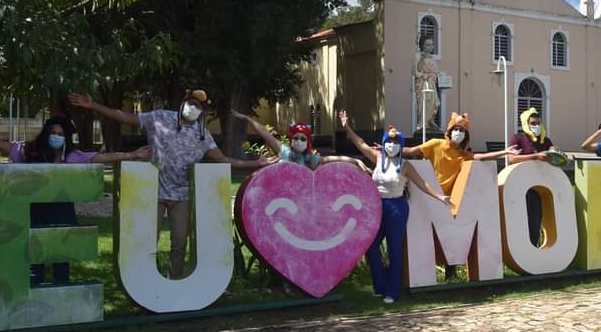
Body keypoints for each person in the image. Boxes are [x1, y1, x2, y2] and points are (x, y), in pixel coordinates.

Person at [68, 89, 271, 279]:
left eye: (199, 107)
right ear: (184, 103)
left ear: (204, 112)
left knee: (180, 242)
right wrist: (94, 106)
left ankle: (175, 280)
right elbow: (124, 117)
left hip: (181, 195)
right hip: (152, 192)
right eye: (191, 103)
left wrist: (256, 163)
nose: (193, 108)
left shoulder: (203, 135)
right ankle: (144, 281)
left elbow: (225, 160)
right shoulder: (160, 117)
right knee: (147, 240)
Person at [0, 111, 150, 284]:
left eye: (61, 134)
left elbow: (102, 157)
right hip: (34, 213)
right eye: (53, 133)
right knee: (35, 254)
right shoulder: (27, 152)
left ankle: (60, 288)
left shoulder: (72, 157)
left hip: (61, 213)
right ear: (46, 134)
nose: (56, 136)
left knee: (61, 254)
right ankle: (35, 286)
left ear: (66, 138)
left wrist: (132, 155)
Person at [339, 111, 449, 303]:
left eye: (395, 143)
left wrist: (440, 196)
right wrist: (346, 127)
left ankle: (392, 291)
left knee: (393, 249)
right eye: (388, 143)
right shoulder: (377, 157)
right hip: (377, 206)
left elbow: (422, 184)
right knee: (371, 247)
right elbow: (361, 143)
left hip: (396, 207)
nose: (391, 146)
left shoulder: (405, 165)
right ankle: (380, 287)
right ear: (383, 144)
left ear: (400, 146)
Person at [403, 112, 517, 279]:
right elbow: (411, 151)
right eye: (456, 129)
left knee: (451, 234)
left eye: (462, 131)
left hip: (450, 199)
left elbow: (479, 156)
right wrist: (391, 148)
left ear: (465, 136)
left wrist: (504, 152)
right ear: (449, 131)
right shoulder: (435, 144)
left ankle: (451, 272)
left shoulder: (463, 155)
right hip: (430, 195)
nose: (458, 133)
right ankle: (420, 272)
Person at [508, 108, 568, 245]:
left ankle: (533, 248)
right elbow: (511, 159)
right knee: (522, 220)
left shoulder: (545, 140)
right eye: (533, 123)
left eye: (538, 123)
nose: (536, 126)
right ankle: (519, 249)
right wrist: (535, 156)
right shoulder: (518, 138)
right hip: (522, 185)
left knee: (536, 219)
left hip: (541, 186)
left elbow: (553, 157)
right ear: (525, 124)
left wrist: (557, 155)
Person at [231, 111, 367, 171]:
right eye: (296, 138)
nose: (299, 141)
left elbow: (334, 159)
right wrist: (248, 119)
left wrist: (356, 160)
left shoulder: (310, 158)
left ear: (308, 142)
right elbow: (265, 133)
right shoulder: (283, 151)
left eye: (303, 139)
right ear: (291, 140)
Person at [413, 33, 441, 132]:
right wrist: (425, 75)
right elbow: (415, 72)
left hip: (432, 84)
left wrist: (439, 77)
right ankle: (422, 124)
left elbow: (436, 72)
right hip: (423, 85)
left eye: (432, 44)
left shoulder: (432, 58)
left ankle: (430, 121)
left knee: (435, 104)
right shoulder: (418, 55)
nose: (430, 47)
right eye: (428, 45)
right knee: (424, 104)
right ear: (422, 45)